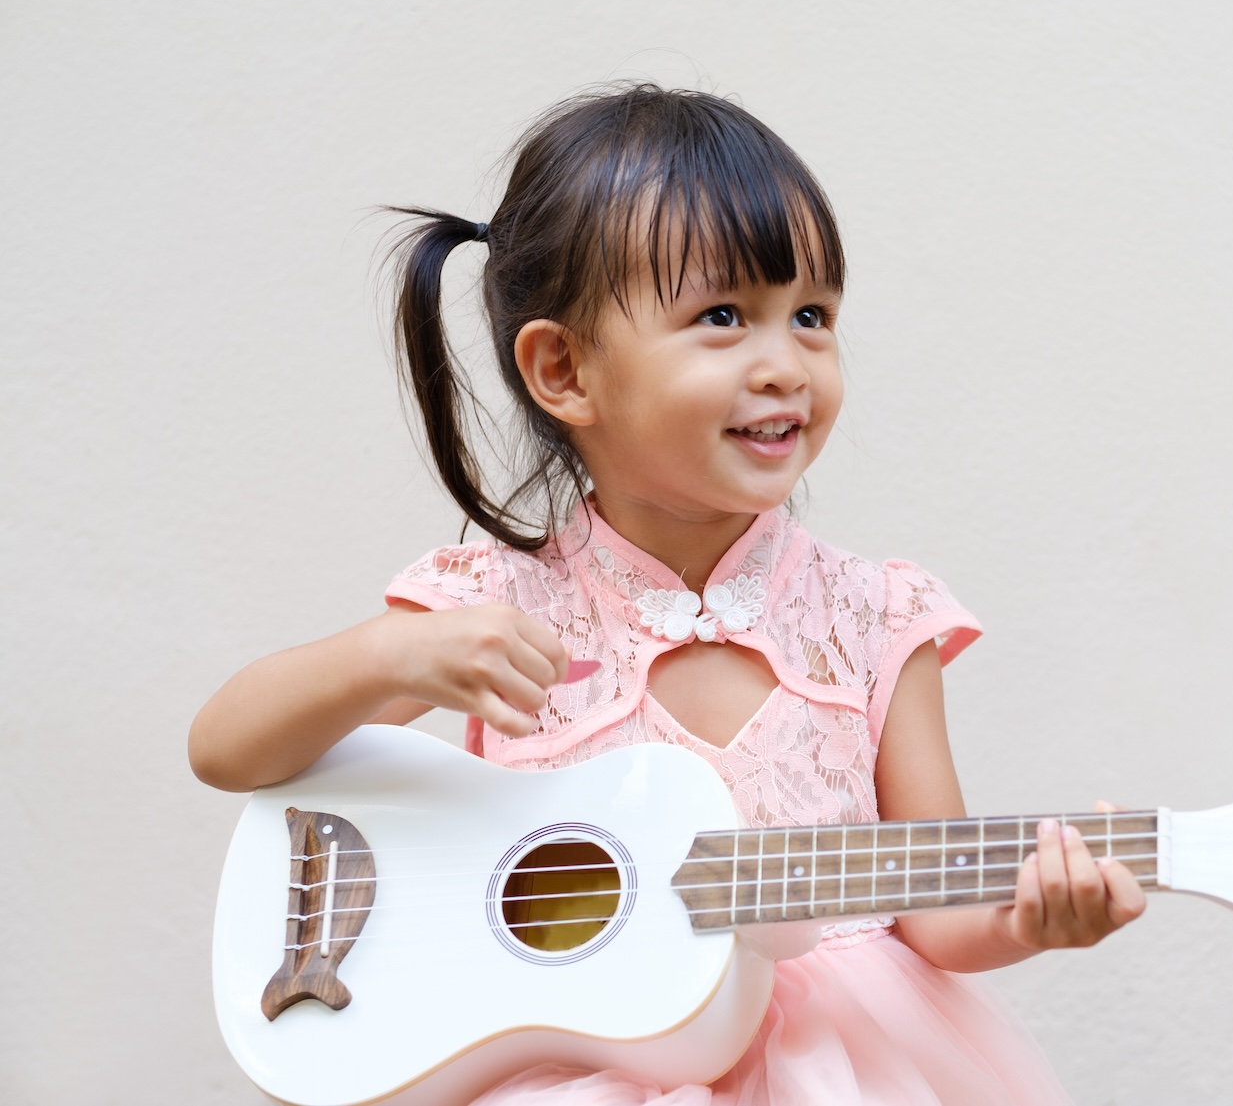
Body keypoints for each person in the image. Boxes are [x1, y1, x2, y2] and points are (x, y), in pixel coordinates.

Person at [188, 83, 1145, 1105]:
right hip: (573, 1068)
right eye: (723, 316)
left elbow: (937, 916)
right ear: (563, 370)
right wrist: (386, 658)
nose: (786, 364)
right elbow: (226, 749)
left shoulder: (874, 619)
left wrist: (1029, 916)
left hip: (847, 1073)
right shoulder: (493, 603)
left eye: (811, 316)